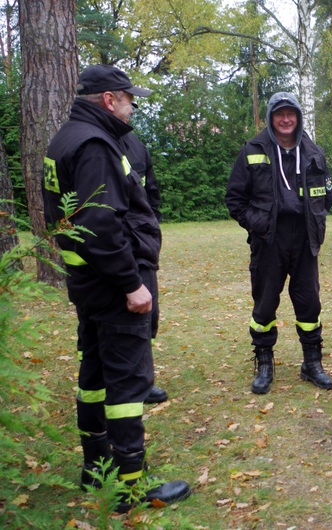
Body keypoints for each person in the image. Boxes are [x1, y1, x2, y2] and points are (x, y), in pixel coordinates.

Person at [42, 64, 190, 511]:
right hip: (111, 285)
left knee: (94, 374)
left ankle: (96, 467)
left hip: (88, 283)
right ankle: (130, 485)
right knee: (127, 381)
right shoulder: (95, 145)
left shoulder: (66, 138)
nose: (132, 108)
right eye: (129, 100)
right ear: (109, 99)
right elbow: (101, 225)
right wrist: (131, 283)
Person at [226, 92, 332, 395]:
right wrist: (258, 224)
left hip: (304, 238)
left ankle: (312, 363)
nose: (286, 119)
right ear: (271, 117)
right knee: (264, 304)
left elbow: (327, 192)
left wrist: (315, 218)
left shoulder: (313, 151)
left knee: (309, 302)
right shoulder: (253, 149)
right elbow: (235, 199)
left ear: (298, 117)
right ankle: (264, 363)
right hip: (269, 239)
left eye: (291, 114)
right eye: (279, 114)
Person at [121, 132, 168, 405]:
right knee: (115, 320)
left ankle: (142, 377)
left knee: (147, 314)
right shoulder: (94, 144)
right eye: (128, 108)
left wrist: (150, 226)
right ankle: (122, 379)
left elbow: (151, 191)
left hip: (141, 246)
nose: (131, 111)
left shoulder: (136, 144)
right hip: (110, 245)